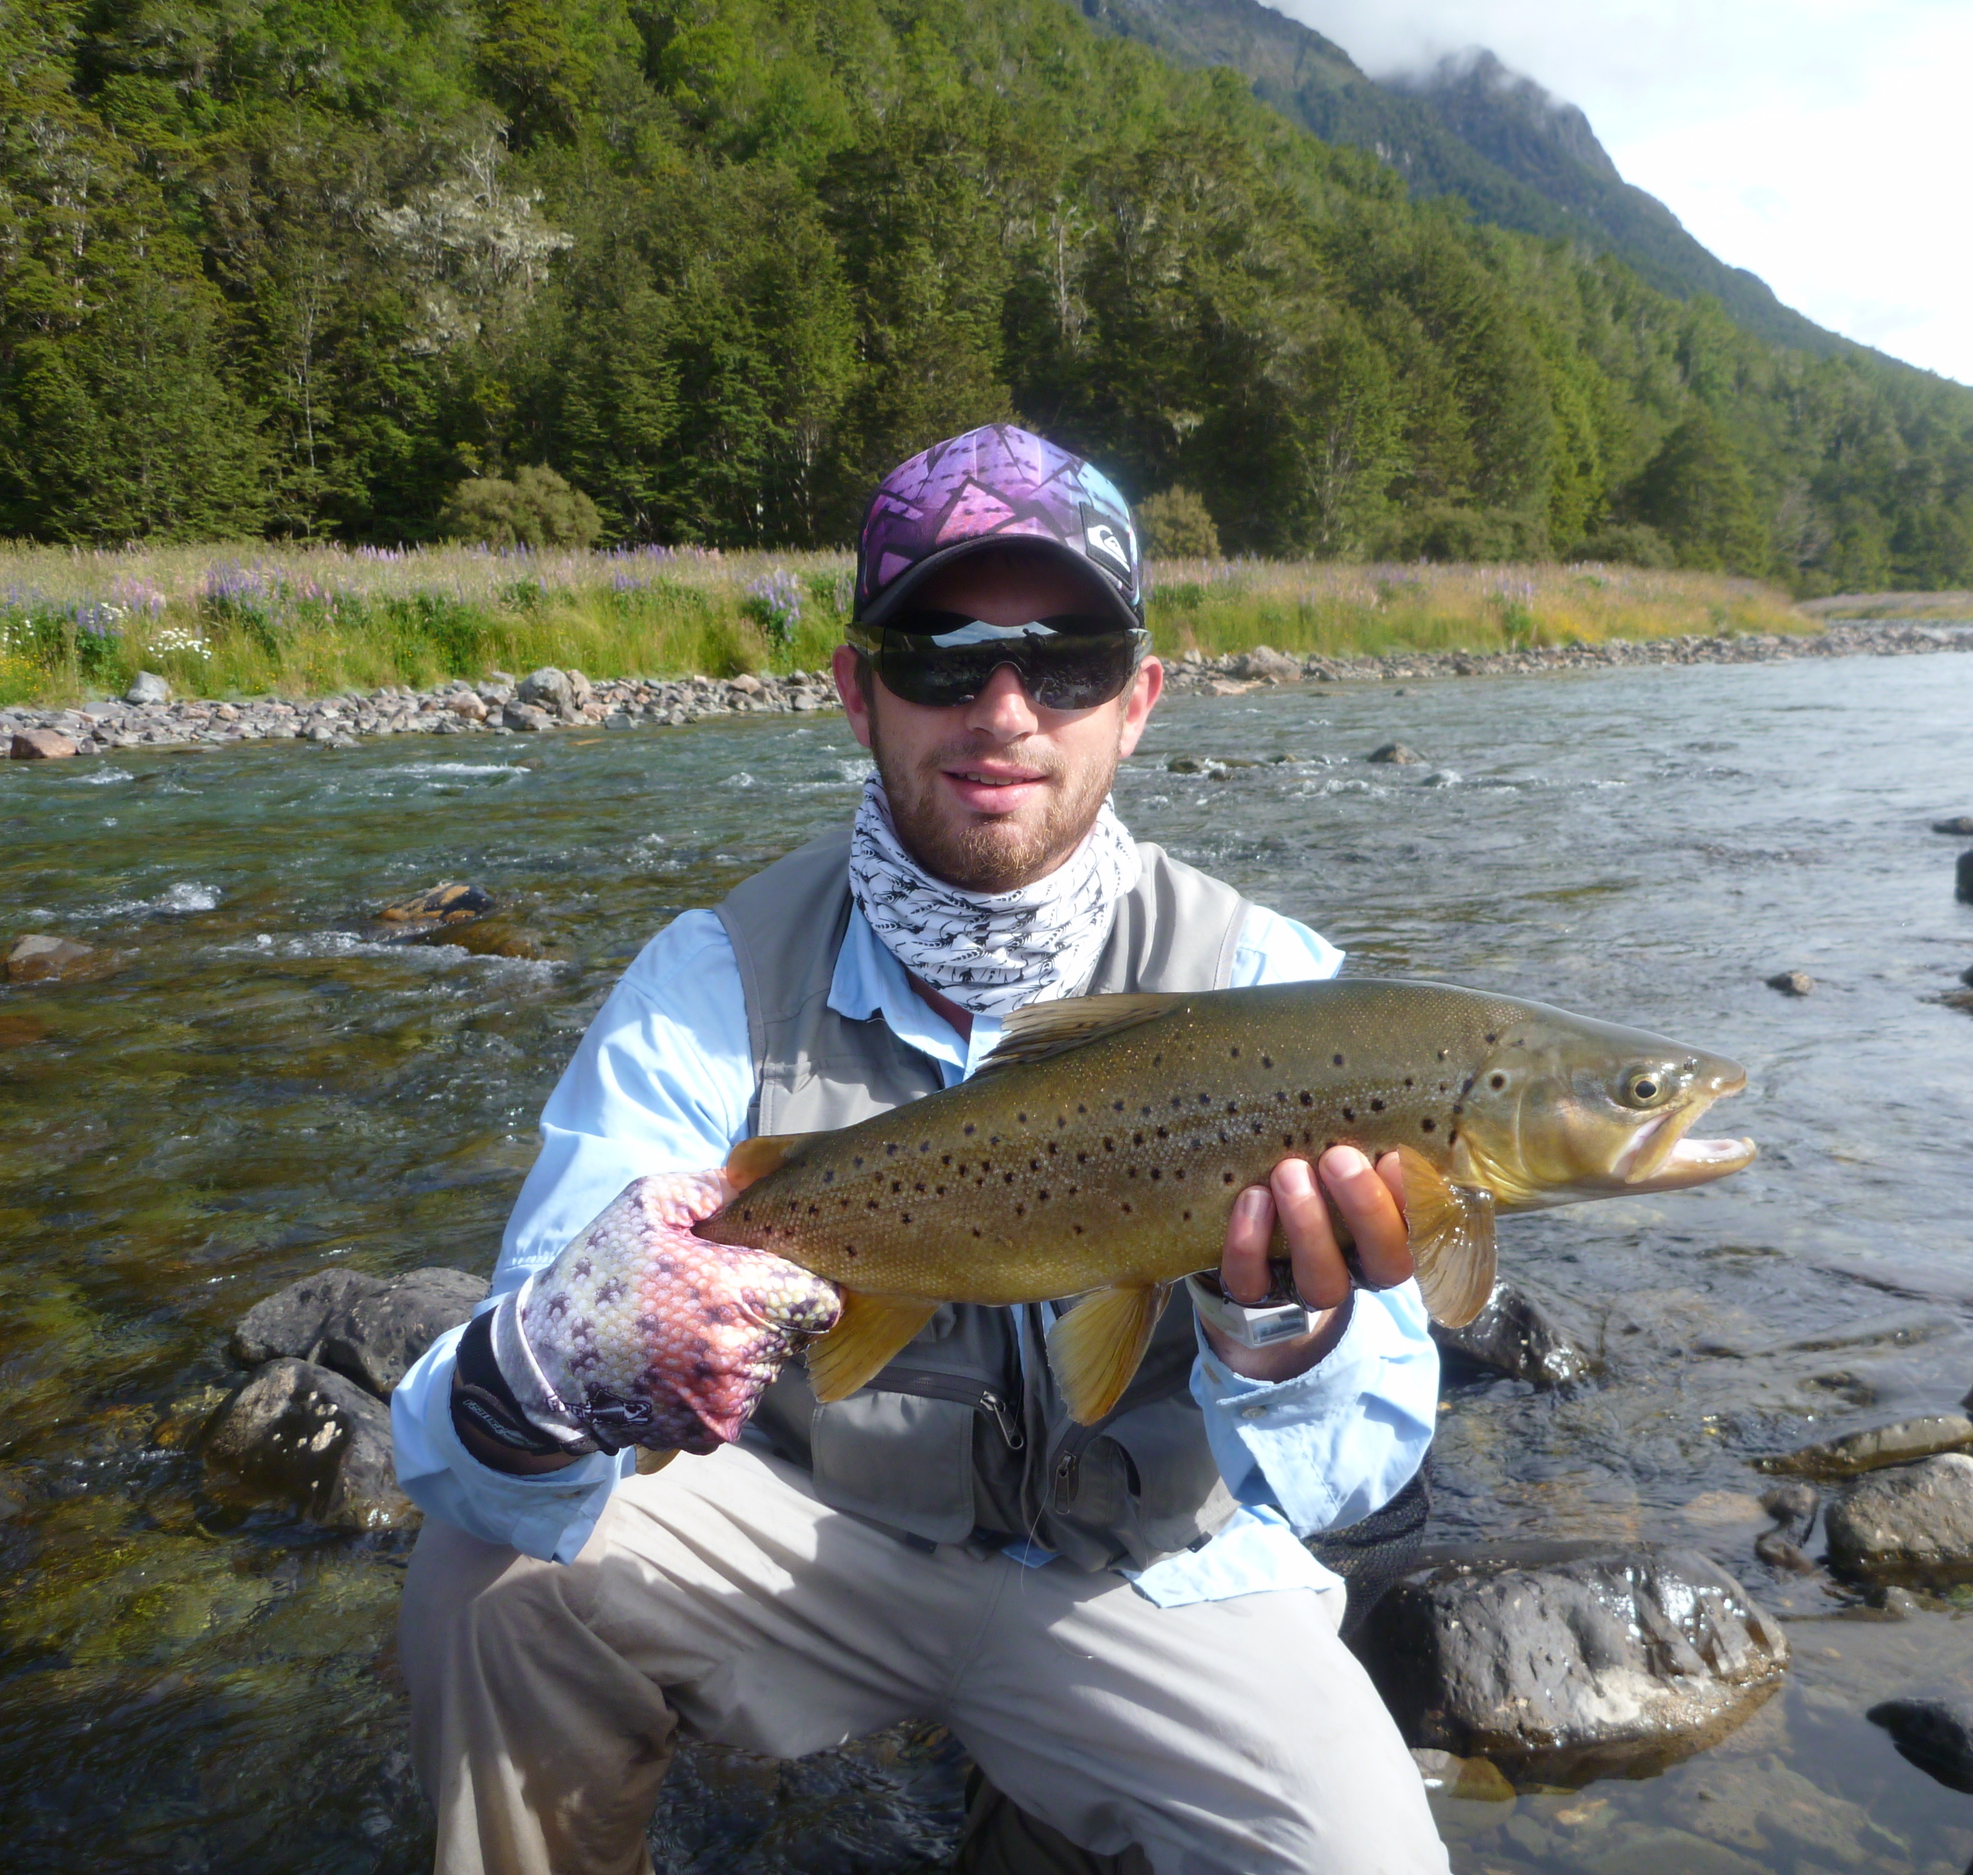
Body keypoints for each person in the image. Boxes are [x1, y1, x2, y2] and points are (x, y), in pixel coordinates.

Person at [391, 424, 1451, 1875]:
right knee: (489, 1581)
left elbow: (1358, 1466)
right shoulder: (715, 980)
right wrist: (546, 1365)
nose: (1004, 706)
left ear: (1136, 701)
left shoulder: (1281, 991)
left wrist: (1281, 1334)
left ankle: (1039, 1809)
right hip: (810, 1539)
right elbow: (470, 1446)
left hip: (1147, 1581)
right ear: (857, 691)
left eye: (1065, 656)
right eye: (942, 651)